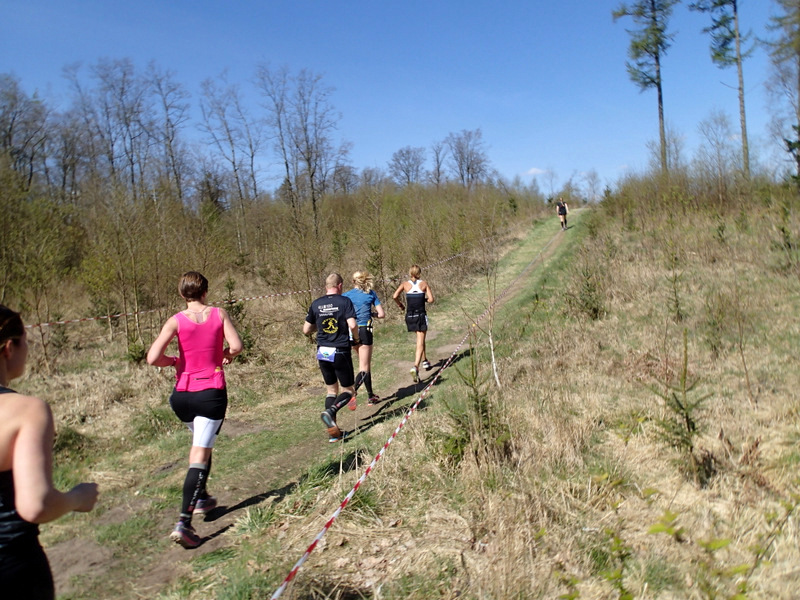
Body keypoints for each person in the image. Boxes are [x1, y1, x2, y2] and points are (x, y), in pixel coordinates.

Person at [0, 305, 99, 599]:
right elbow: (36, 505)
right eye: (25, 340)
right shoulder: (26, 410)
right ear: (8, 348)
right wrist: (77, 498)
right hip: (13, 567)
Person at [146, 272, 242, 549]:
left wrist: (175, 361)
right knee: (199, 452)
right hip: (210, 392)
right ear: (205, 291)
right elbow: (236, 346)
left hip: (182, 396)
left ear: (182, 295)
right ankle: (184, 523)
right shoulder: (219, 314)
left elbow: (152, 358)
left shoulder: (175, 321)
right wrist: (226, 355)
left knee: (204, 444)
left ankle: (201, 497)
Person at [303, 273, 360, 442]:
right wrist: (356, 339)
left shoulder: (316, 303)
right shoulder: (344, 301)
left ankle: (333, 432)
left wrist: (319, 327)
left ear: (326, 287)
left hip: (323, 350)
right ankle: (331, 411)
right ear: (340, 285)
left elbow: (306, 330)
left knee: (331, 391)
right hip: (340, 349)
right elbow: (353, 324)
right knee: (349, 390)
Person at [343, 271, 386, 405]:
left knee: (364, 366)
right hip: (364, 330)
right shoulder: (371, 293)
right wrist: (371, 314)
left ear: (353, 281)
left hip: (351, 331)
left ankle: (370, 395)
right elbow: (382, 314)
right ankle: (351, 394)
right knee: (365, 367)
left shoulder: (346, 296)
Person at [392, 265, 435, 383]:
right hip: (420, 315)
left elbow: (394, 296)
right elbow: (431, 299)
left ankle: (425, 360)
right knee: (420, 341)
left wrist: (400, 305)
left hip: (410, 316)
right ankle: (415, 366)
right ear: (419, 273)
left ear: (410, 273)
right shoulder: (424, 284)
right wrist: (423, 299)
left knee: (421, 338)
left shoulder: (405, 284)